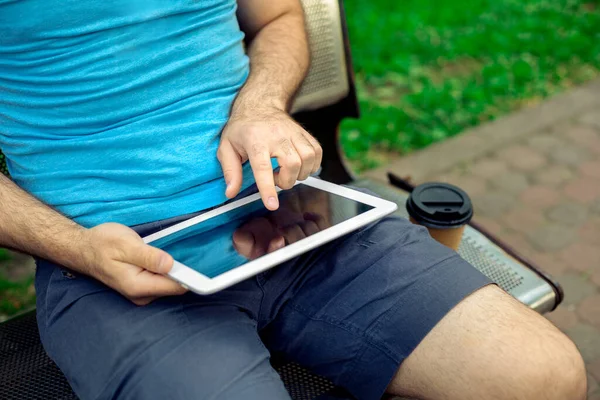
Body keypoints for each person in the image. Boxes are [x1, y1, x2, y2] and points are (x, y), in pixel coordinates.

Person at [0, 1, 586, 399]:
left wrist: (260, 105)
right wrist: (77, 248)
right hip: (119, 268)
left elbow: (279, 15)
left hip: (292, 209)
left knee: (547, 375)